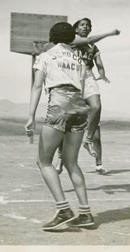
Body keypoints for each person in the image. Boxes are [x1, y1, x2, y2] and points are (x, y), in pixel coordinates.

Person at [25, 22, 94, 231]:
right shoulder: (78, 59)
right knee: (72, 163)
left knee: (44, 162)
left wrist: (31, 116)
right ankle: (85, 213)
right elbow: (83, 88)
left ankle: (63, 209)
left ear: (52, 37)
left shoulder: (45, 56)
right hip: (80, 107)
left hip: (60, 104)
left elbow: (37, 86)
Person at [55, 20, 120, 175]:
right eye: (82, 25)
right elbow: (88, 40)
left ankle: (90, 143)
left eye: (88, 25)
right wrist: (110, 33)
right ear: (76, 28)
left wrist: (102, 74)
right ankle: (60, 159)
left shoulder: (93, 47)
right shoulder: (72, 40)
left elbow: (99, 64)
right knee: (65, 124)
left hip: (88, 76)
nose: (86, 27)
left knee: (96, 107)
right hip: (72, 77)